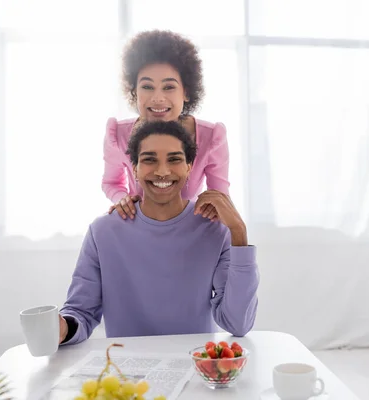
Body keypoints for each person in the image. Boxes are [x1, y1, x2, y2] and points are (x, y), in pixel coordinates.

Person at [58, 121, 258, 345]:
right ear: (134, 168)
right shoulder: (103, 232)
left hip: (194, 368)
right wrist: (63, 328)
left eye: (174, 159)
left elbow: (238, 324)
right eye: (149, 160)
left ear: (189, 167)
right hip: (127, 372)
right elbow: (80, 313)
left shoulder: (214, 230)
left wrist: (239, 233)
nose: (162, 171)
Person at [103, 30, 230, 221]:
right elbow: (111, 182)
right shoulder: (117, 135)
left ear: (186, 92)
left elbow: (221, 195)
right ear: (134, 92)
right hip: (137, 224)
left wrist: (213, 207)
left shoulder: (212, 138)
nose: (158, 98)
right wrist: (123, 199)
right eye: (147, 87)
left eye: (169, 87)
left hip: (189, 228)